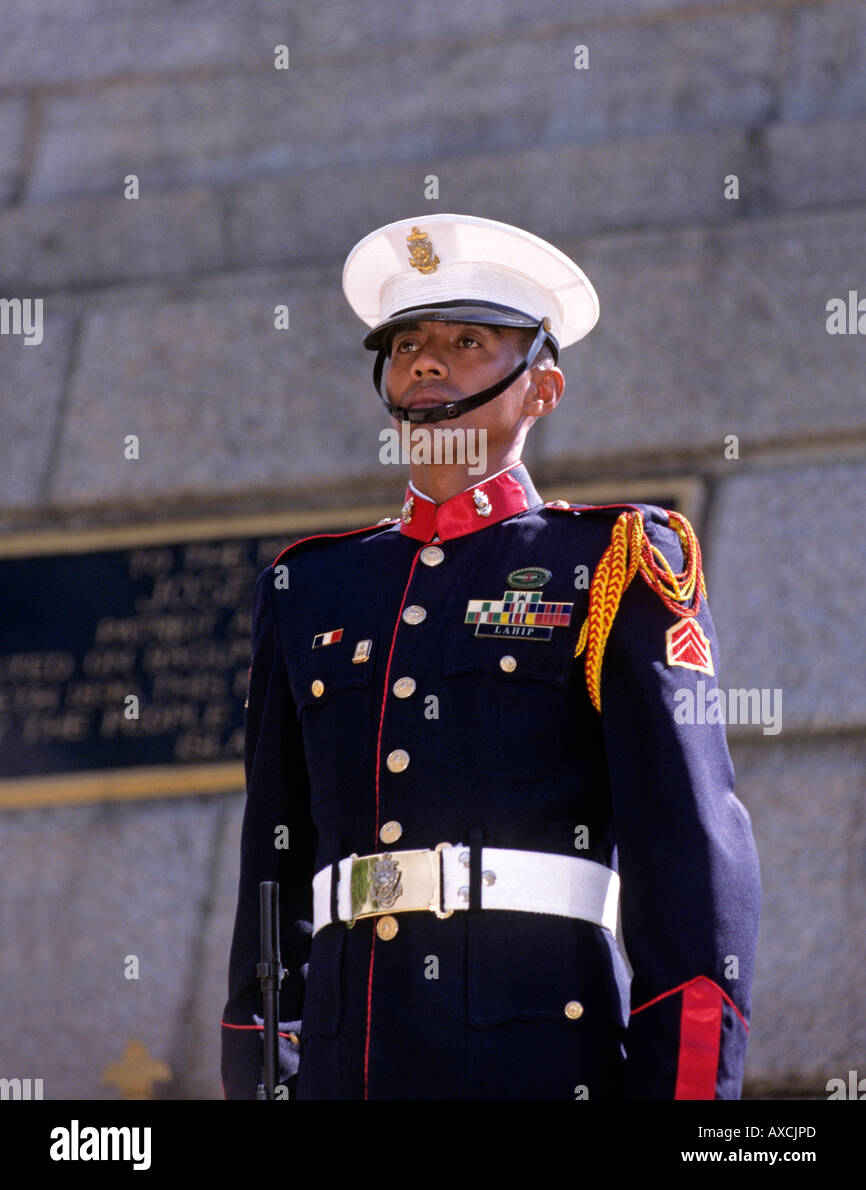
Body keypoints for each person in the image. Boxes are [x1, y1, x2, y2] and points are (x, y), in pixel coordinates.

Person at [221, 212, 761, 1100]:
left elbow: (689, 853)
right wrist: (263, 1077)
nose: (425, 363)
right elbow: (272, 871)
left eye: (466, 341)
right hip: (342, 1066)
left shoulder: (614, 561)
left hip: (539, 1058)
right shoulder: (309, 586)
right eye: (405, 345)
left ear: (540, 387)